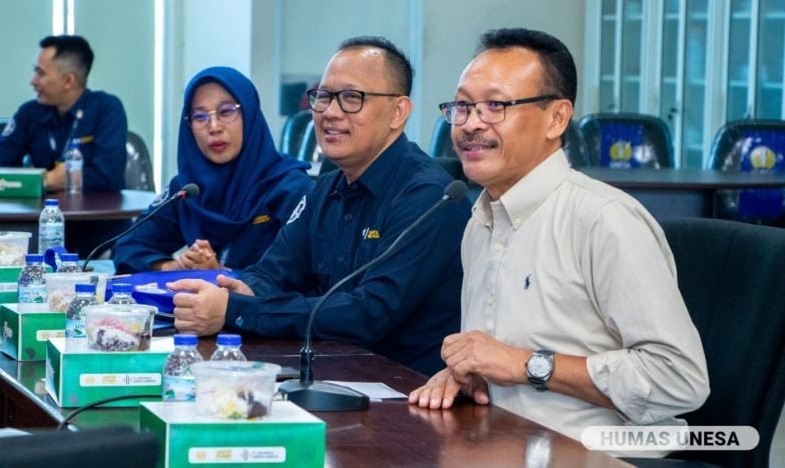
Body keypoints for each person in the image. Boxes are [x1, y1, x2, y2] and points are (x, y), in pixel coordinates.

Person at [408, 28, 709, 451]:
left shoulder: (603, 220)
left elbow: (679, 379)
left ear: (557, 118)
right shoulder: (480, 220)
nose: (471, 123)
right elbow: (496, 357)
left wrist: (525, 364)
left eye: (496, 105)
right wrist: (469, 372)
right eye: (463, 105)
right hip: (501, 444)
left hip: (600, 454)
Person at [168, 37, 471, 375]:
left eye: (352, 98)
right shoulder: (326, 187)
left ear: (398, 112)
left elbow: (370, 313)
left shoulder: (428, 196)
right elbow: (274, 270)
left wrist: (237, 309)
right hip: (331, 373)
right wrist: (242, 289)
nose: (330, 112)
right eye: (323, 97)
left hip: (406, 392)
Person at [112, 67, 313, 273]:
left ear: (250, 114)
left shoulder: (290, 188)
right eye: (200, 117)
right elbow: (127, 247)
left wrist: (221, 275)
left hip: (261, 304)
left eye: (226, 112)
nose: (214, 127)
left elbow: (298, 276)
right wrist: (173, 266)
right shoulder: (188, 189)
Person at [0, 35, 127, 193]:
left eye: (40, 73)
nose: (33, 81)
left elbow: (108, 176)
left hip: (96, 215)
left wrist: (59, 179)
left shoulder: (106, 109)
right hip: (41, 214)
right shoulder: (29, 113)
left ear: (68, 81)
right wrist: (47, 179)